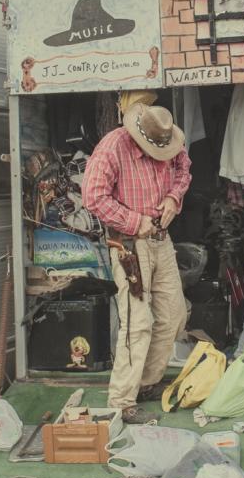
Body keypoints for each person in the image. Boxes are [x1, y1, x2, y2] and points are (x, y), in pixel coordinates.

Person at [82, 98, 191, 424]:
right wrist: (133, 222)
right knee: (137, 322)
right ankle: (121, 399)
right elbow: (93, 196)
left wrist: (174, 197)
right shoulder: (112, 147)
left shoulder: (168, 142)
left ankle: (146, 383)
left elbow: (184, 168)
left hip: (160, 239)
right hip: (130, 243)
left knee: (174, 314)